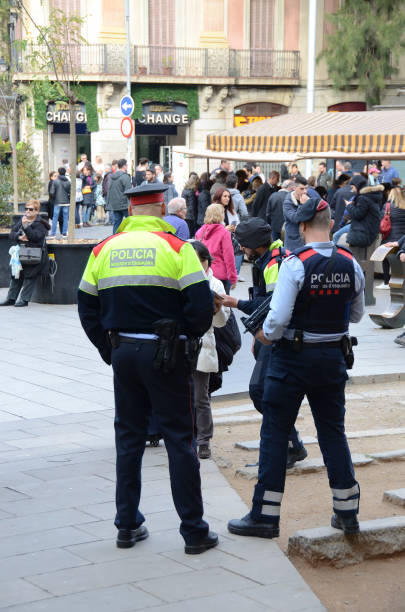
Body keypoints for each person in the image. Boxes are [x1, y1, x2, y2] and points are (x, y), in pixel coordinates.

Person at [77, 183, 218, 554]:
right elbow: (201, 305)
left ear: (130, 212)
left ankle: (126, 526)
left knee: (128, 440)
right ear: (159, 209)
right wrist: (184, 338)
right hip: (166, 354)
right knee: (179, 441)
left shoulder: (103, 249)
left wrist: (109, 349)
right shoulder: (178, 248)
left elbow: (85, 306)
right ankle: (193, 531)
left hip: (123, 352)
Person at [228, 198, 365, 539]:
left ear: (301, 227)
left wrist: (265, 333)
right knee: (333, 432)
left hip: (291, 358)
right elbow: (357, 315)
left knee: (275, 433)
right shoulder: (352, 263)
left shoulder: (295, 263)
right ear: (330, 223)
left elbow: (276, 321)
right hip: (332, 357)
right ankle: (347, 511)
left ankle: (265, 516)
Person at [221, 218, 308, 469]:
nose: (241, 249)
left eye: (243, 244)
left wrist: (235, 303)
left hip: (277, 337)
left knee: (262, 392)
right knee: (266, 394)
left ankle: (285, 448)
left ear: (255, 245)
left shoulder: (275, 263)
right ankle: (291, 445)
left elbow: (269, 306)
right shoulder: (269, 259)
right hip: (269, 335)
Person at [190, 240, 230, 459]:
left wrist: (217, 310)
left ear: (206, 261)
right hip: (183, 345)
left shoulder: (215, 285)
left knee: (200, 397)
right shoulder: (183, 280)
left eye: (199, 261)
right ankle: (188, 435)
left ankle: (204, 439)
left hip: (203, 345)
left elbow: (222, 322)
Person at [1, 199, 50, 307]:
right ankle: (11, 298)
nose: (27, 211)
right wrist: (19, 237)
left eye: (31, 209)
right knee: (16, 275)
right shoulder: (22, 220)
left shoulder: (41, 223)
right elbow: (11, 233)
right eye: (26, 209)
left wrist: (26, 227)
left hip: (34, 254)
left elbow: (35, 237)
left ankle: (24, 299)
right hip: (21, 252)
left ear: (36, 211)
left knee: (30, 276)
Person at [195, 203, 237, 294]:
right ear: (221, 215)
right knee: (221, 304)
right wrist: (233, 278)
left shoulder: (200, 231)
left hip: (203, 272)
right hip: (219, 275)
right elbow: (229, 257)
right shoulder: (224, 232)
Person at [377, 186, 405, 288]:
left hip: (389, 238)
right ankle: (400, 280)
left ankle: (386, 282)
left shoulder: (387, 206)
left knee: (385, 258)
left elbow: (381, 219)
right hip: (402, 240)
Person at [346, 175, 383, 248]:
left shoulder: (363, 198)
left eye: (353, 187)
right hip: (370, 230)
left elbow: (357, 214)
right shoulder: (372, 196)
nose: (353, 190)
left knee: (337, 235)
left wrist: (348, 206)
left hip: (363, 232)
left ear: (358, 186)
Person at [212, 187, 243, 275]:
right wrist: (224, 229)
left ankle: (233, 275)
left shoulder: (231, 211)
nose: (227, 198)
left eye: (228, 197)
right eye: (224, 196)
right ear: (219, 197)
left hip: (231, 242)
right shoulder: (213, 210)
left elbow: (238, 224)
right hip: (219, 245)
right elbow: (210, 229)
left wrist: (235, 228)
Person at [106, 158, 132, 233]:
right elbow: (128, 191)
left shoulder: (112, 177)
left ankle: (114, 239)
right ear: (124, 166)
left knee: (116, 224)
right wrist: (130, 204)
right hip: (124, 204)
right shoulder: (125, 177)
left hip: (115, 205)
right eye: (126, 165)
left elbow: (109, 190)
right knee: (131, 222)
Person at [282, 176, 308, 250]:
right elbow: (295, 219)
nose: (305, 191)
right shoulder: (288, 203)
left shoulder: (307, 199)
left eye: (306, 188)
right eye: (302, 189)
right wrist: (303, 205)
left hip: (305, 241)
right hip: (292, 243)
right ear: (294, 188)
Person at [49, 166, 71, 238]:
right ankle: (64, 233)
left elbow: (51, 193)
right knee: (65, 218)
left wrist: (55, 196)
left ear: (58, 173)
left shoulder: (55, 181)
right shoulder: (68, 181)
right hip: (66, 202)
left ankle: (53, 234)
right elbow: (70, 192)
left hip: (57, 202)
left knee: (55, 218)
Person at [80, 163, 96, 227]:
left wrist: (90, 187)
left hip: (91, 194)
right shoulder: (82, 176)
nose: (85, 171)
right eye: (84, 170)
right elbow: (82, 181)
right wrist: (85, 175)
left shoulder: (92, 176)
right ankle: (84, 222)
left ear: (89, 170)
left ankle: (87, 221)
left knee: (89, 208)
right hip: (85, 194)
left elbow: (95, 184)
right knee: (84, 208)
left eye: (86, 170)